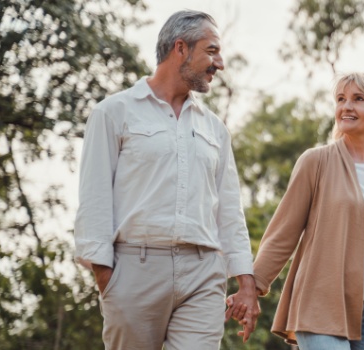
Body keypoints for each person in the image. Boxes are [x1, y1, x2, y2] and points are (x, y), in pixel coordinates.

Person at [74, 10, 260, 349]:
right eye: (212, 50)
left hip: (203, 275)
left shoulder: (215, 129)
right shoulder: (113, 113)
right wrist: (108, 280)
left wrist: (246, 283)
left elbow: (230, 212)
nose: (219, 63)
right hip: (134, 271)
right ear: (180, 48)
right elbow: (94, 201)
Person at [230, 72, 364, 349]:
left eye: (358, 99)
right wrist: (252, 287)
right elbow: (284, 232)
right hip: (321, 301)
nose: (346, 106)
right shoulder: (315, 162)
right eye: (341, 99)